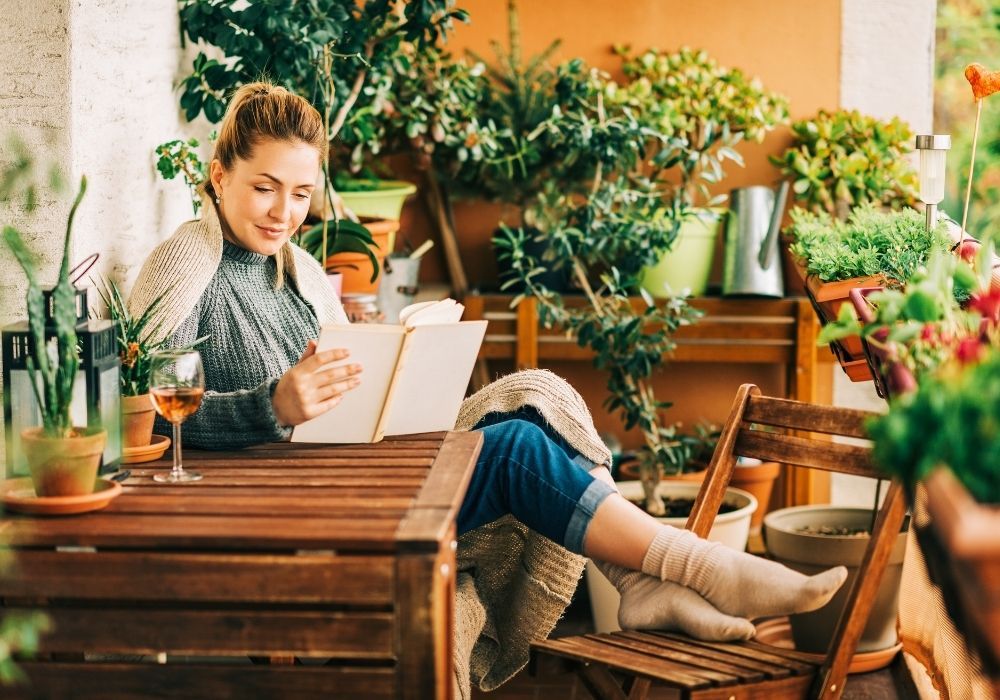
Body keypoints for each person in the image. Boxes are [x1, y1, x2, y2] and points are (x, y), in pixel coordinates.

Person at [129, 81, 846, 669]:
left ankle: (641, 580)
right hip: (295, 505)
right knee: (513, 450)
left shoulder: (302, 273)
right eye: (264, 188)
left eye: (300, 194)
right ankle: (696, 567)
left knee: (529, 411)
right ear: (219, 174)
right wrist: (270, 405)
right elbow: (145, 417)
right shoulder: (188, 260)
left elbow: (348, 391)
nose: (284, 212)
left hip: (348, 476)